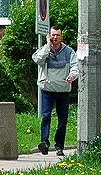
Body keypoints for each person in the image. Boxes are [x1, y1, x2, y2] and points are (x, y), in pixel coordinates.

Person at [32, 25, 78, 156]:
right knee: (46, 116)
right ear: (49, 36)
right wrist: (47, 46)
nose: (55, 37)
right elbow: (37, 60)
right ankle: (44, 143)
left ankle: (59, 147)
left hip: (63, 90)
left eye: (57, 35)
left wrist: (72, 76)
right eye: (52, 35)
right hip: (47, 88)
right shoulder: (44, 50)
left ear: (61, 36)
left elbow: (76, 66)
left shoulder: (69, 51)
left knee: (62, 120)